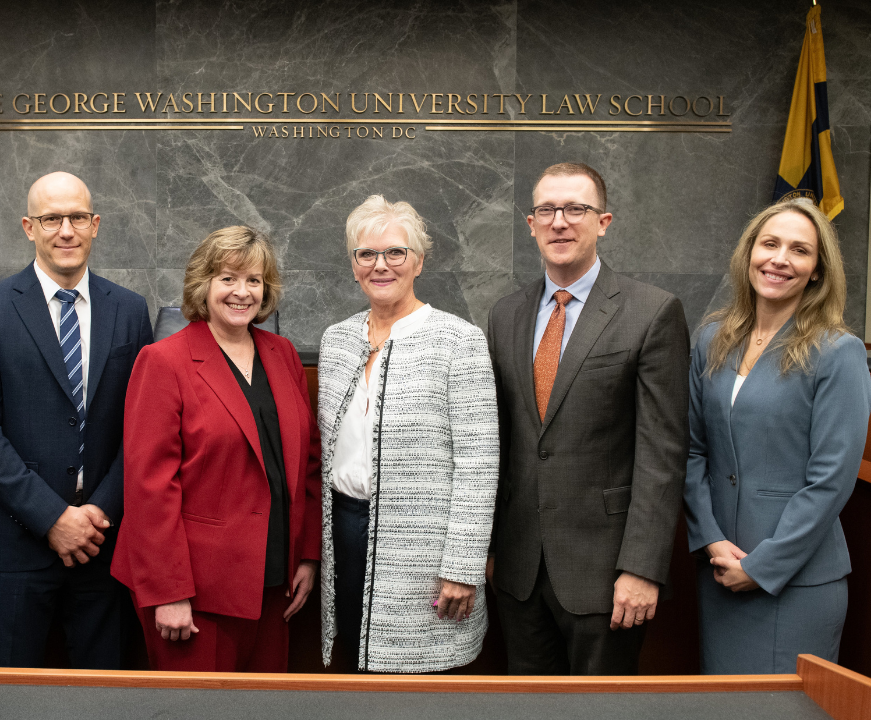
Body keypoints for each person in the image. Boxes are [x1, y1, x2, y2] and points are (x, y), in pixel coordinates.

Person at [487, 162, 690, 675]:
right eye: (547, 210)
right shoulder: (505, 314)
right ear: (530, 224)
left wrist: (641, 569)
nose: (560, 221)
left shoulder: (652, 312)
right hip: (518, 571)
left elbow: (661, 453)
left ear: (603, 221)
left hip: (606, 577)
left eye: (576, 208)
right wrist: (486, 549)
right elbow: (501, 443)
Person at [0, 171, 153, 669]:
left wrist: (98, 512)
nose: (66, 230)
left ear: (96, 224)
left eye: (77, 217)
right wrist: (54, 518)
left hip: (104, 546)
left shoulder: (129, 309)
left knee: (103, 698)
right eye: (51, 218)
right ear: (28, 227)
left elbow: (145, 426)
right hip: (12, 548)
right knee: (12, 700)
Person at [112, 226, 321, 672]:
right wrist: (169, 592)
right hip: (195, 595)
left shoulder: (281, 353)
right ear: (202, 284)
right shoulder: (164, 361)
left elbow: (307, 463)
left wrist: (306, 554)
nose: (241, 292)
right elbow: (150, 486)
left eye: (254, 280)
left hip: (274, 583)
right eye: (227, 278)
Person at [684, 200, 871, 674]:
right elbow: (692, 450)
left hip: (795, 580)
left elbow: (831, 480)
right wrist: (711, 541)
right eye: (769, 244)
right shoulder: (712, 339)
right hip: (721, 569)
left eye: (799, 250)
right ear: (749, 253)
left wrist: (763, 566)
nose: (779, 259)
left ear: (816, 271)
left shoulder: (838, 352)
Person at [317, 195, 499, 673]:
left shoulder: (458, 341)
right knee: (352, 665)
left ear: (419, 260)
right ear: (353, 264)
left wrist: (462, 566)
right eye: (366, 254)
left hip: (425, 550)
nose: (381, 265)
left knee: (422, 677)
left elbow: (479, 464)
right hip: (342, 533)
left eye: (395, 252)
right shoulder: (337, 340)